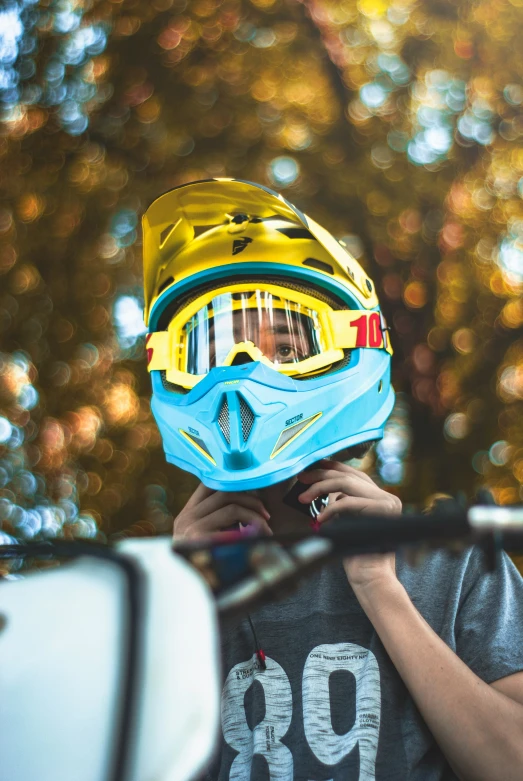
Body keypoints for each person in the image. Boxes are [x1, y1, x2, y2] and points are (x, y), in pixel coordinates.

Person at [142, 179, 523, 781]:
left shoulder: (452, 562)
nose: (245, 371)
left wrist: (379, 585)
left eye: (286, 344)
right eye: (213, 350)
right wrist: (189, 615)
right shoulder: (162, 594)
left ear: (353, 345)